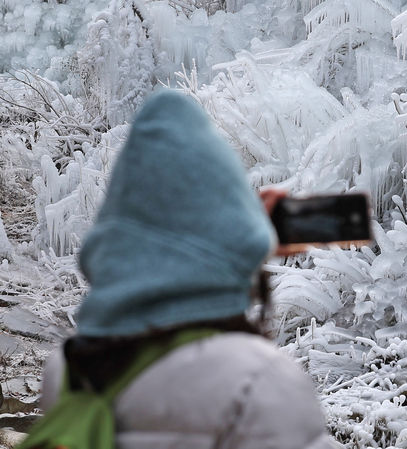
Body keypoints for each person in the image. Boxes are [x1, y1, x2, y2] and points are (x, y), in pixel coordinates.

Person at [37, 90, 339, 449]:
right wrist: (244, 240)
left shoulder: (67, 372)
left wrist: (230, 235)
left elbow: (163, 247)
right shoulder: (258, 384)